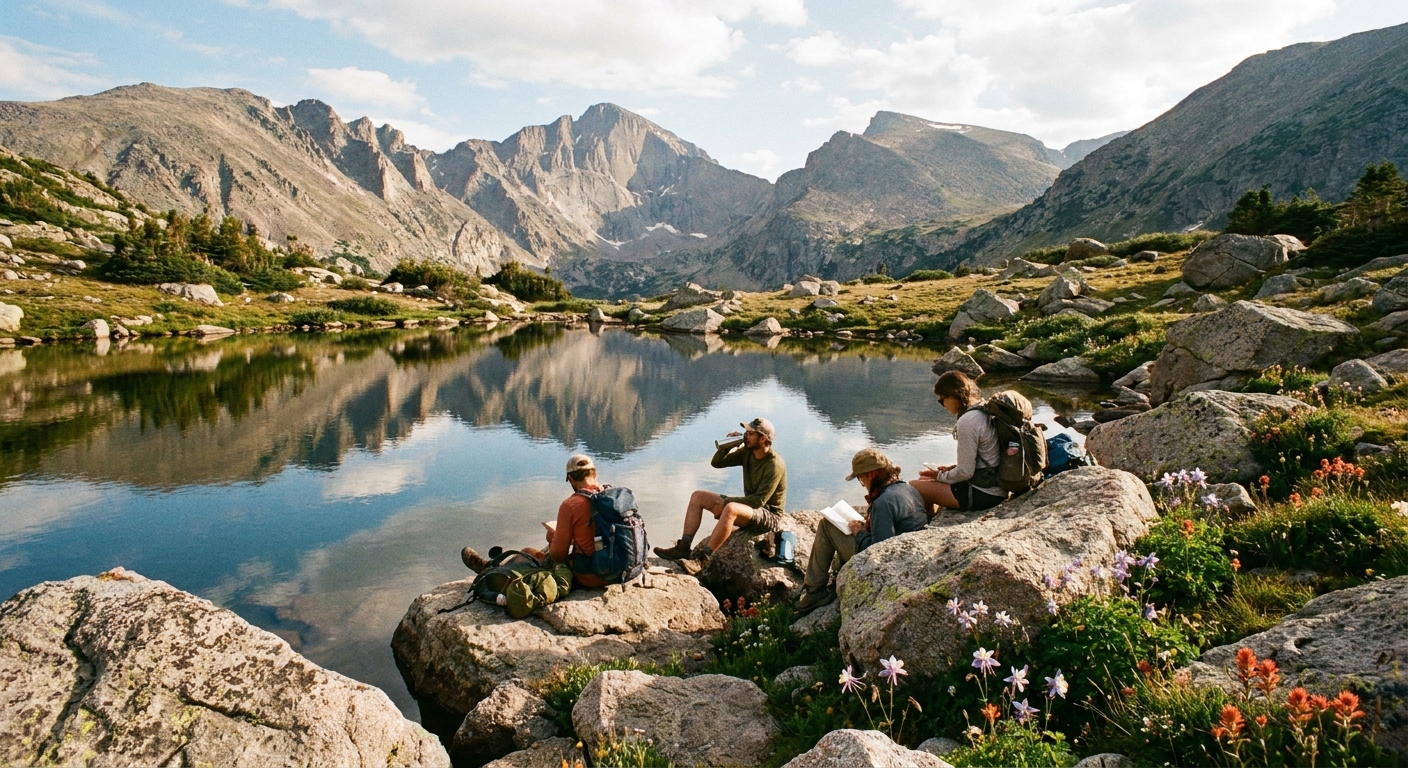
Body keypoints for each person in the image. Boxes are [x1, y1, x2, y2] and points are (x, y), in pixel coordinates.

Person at [794, 448, 928, 615]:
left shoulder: (883, 503)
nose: (862, 484)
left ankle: (815, 591)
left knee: (826, 525)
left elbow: (877, 553)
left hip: (891, 565)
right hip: (910, 558)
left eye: (860, 478)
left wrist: (859, 532)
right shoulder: (908, 489)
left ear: (870, 475)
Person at [654, 417, 787, 575]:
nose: (745, 436)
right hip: (751, 509)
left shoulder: (774, 464)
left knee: (730, 509)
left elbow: (759, 501)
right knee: (698, 496)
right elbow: (716, 463)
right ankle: (683, 547)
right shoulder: (747, 452)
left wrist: (725, 503)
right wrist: (726, 447)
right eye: (746, 432)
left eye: (750, 434)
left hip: (769, 515)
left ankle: (701, 560)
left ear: (763, 438)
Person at [460, 453, 607, 588]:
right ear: (594, 473)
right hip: (618, 572)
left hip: (590, 576)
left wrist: (553, 538)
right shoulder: (612, 496)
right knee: (541, 552)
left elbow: (558, 555)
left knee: (527, 554)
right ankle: (497, 564)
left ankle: (489, 570)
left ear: (570, 478)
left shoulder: (570, 505)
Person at [910, 371, 1009, 514]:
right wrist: (950, 469)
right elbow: (983, 457)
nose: (942, 405)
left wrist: (939, 476)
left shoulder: (968, 421)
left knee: (914, 486)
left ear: (954, 396)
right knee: (924, 478)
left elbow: (965, 472)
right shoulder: (982, 408)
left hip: (985, 494)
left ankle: (927, 524)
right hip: (995, 486)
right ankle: (933, 516)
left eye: (942, 399)